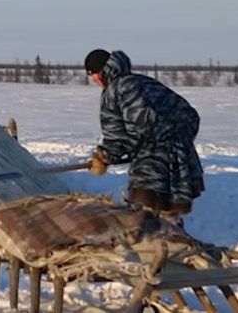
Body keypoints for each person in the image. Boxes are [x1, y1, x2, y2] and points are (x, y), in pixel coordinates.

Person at [84, 48, 204, 219]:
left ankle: (157, 243)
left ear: (102, 71)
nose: (94, 80)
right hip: (180, 157)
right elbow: (190, 117)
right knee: (169, 214)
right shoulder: (142, 82)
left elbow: (119, 137)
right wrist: (178, 142)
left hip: (153, 160)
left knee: (144, 216)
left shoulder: (114, 90)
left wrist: (103, 158)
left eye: (94, 75)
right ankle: (174, 242)